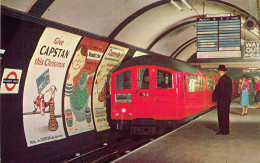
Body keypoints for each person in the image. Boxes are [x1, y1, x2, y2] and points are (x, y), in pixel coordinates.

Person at [212, 65, 233, 135]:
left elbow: (219, 90)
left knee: (221, 116)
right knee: (226, 116)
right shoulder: (229, 79)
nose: (218, 72)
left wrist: (215, 97)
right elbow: (230, 91)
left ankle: (222, 131)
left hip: (221, 101)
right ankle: (226, 131)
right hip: (227, 101)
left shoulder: (221, 79)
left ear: (220, 71)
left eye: (218, 71)